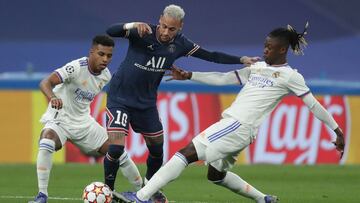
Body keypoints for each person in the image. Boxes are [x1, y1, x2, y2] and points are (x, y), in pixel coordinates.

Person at [119, 23, 346, 203]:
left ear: (282, 49)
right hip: (239, 129)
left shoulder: (290, 76)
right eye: (264, 45)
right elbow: (224, 78)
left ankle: (142, 196)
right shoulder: (257, 68)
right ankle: (263, 199)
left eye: (269, 47)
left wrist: (337, 130)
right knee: (215, 176)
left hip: (238, 125)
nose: (264, 50)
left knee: (186, 152)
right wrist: (190, 76)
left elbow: (314, 105)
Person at [104, 4, 260, 202]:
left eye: (172, 29)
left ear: (180, 27)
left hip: (146, 103)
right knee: (116, 148)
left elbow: (211, 56)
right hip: (120, 98)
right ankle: (107, 191)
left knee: (157, 149)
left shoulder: (181, 44)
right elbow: (111, 31)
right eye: (163, 26)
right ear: (160, 20)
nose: (166, 32)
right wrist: (131, 25)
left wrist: (241, 59)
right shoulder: (142, 31)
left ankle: (150, 189)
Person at [29, 35, 142, 203]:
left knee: (117, 151)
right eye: (101, 54)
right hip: (60, 119)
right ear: (92, 52)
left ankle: (144, 193)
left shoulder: (106, 76)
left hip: (84, 123)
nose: (105, 59)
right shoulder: (75, 67)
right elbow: (45, 83)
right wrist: (52, 97)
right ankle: (42, 195)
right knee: (47, 141)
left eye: (109, 56)